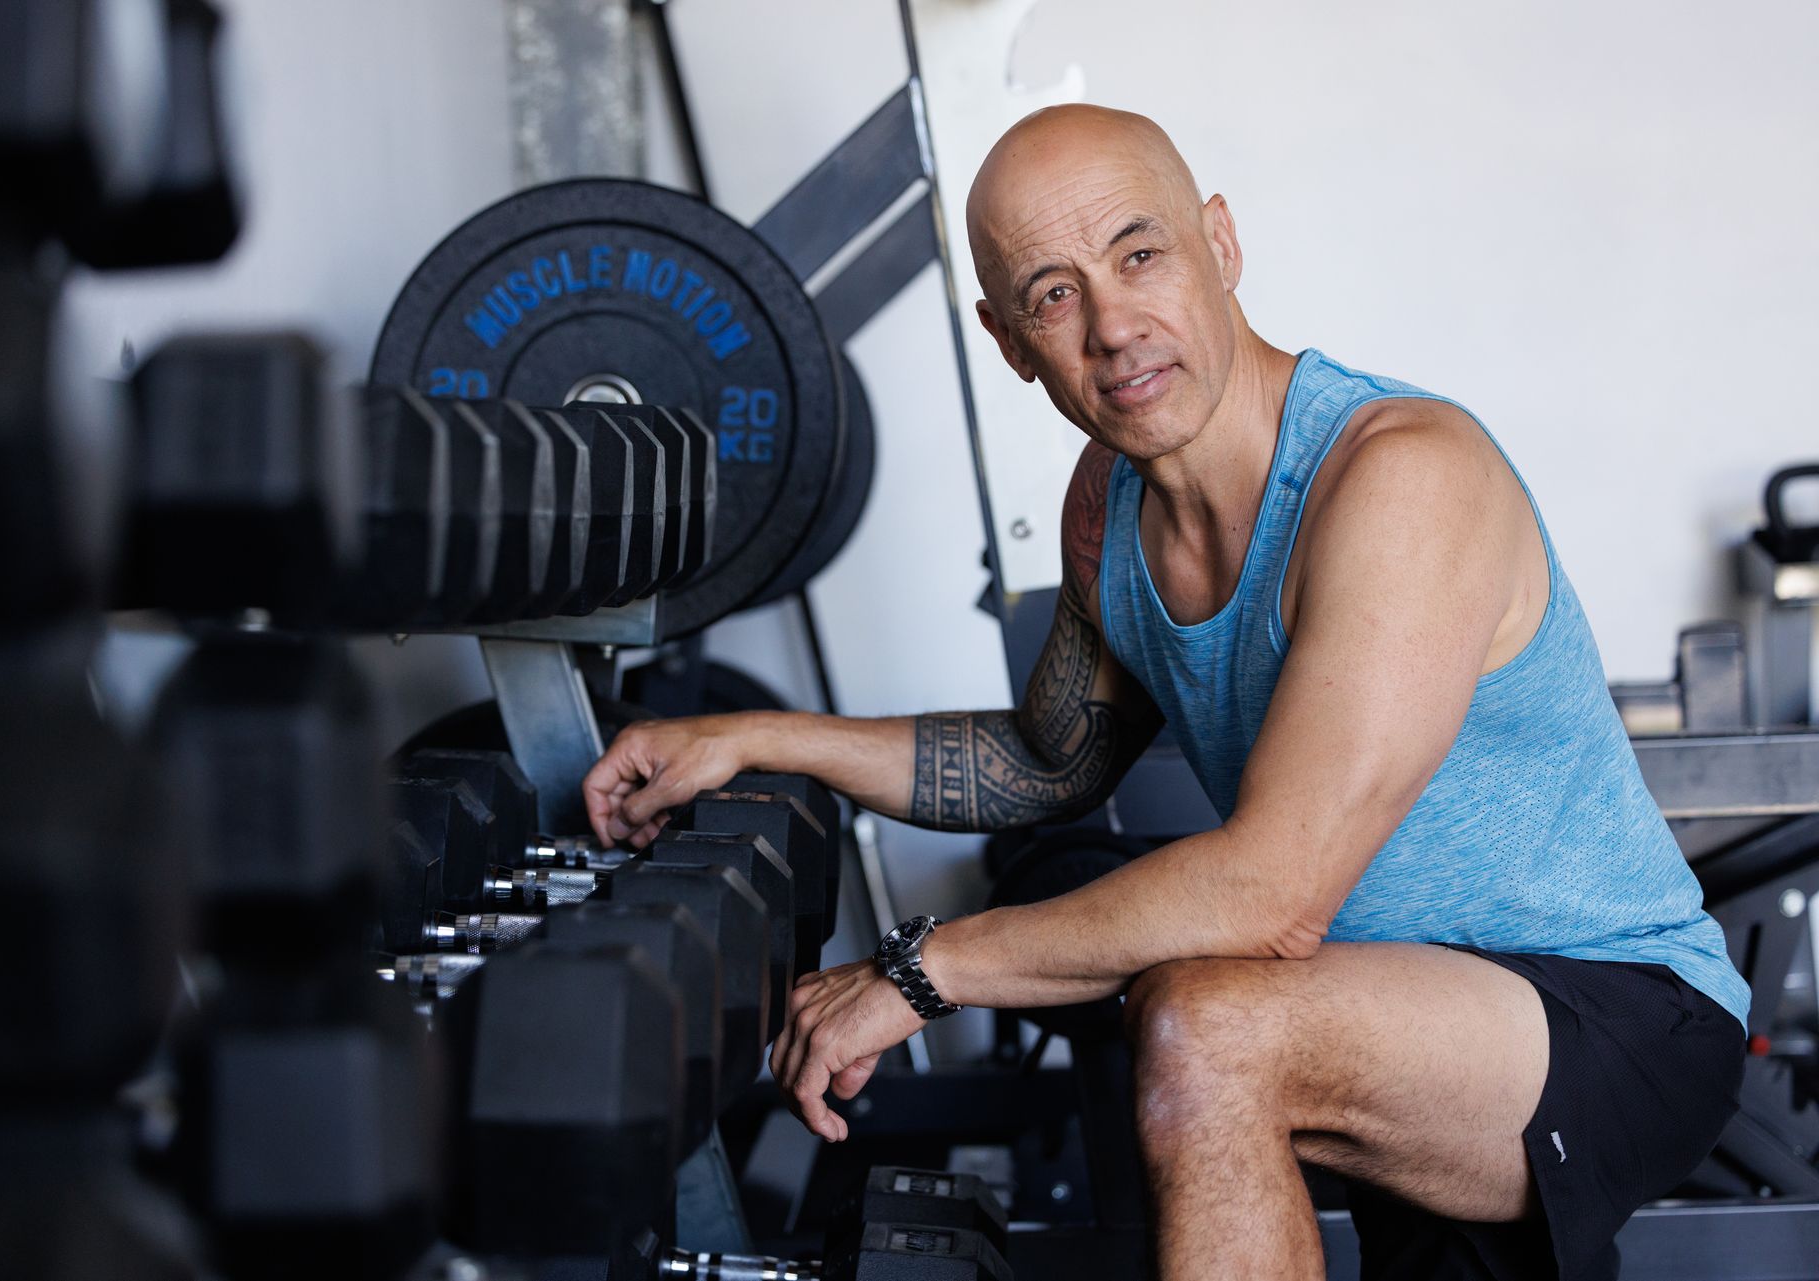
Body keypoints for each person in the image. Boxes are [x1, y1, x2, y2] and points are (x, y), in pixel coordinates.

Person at [580, 105, 1747, 1280]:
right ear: (1008, 341)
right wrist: (753, 737)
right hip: (1392, 1001)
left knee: (1207, 1024)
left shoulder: (1401, 478)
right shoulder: (1110, 514)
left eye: (1140, 256)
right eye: (1053, 293)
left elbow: (1270, 895)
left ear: (1222, 245)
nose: (1113, 327)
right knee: (1206, 1020)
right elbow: (1044, 761)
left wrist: (916, 973)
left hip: (1615, 1009)